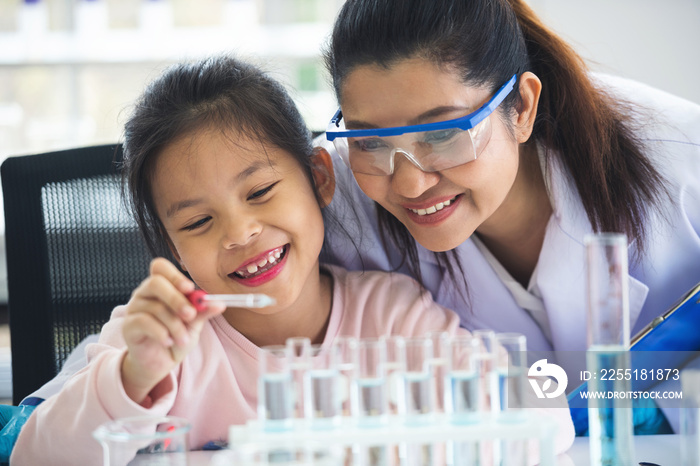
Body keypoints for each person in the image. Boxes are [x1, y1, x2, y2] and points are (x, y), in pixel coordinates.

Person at [9, 55, 573, 465]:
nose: (241, 232)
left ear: (321, 179)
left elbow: (543, 410)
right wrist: (133, 378)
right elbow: (34, 455)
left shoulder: (392, 316)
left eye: (260, 193)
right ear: (169, 246)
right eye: (198, 223)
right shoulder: (158, 342)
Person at [319, 0, 700, 435]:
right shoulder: (338, 189)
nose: (409, 184)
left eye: (443, 134)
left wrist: (671, 412)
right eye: (370, 141)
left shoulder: (684, 160)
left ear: (521, 106)